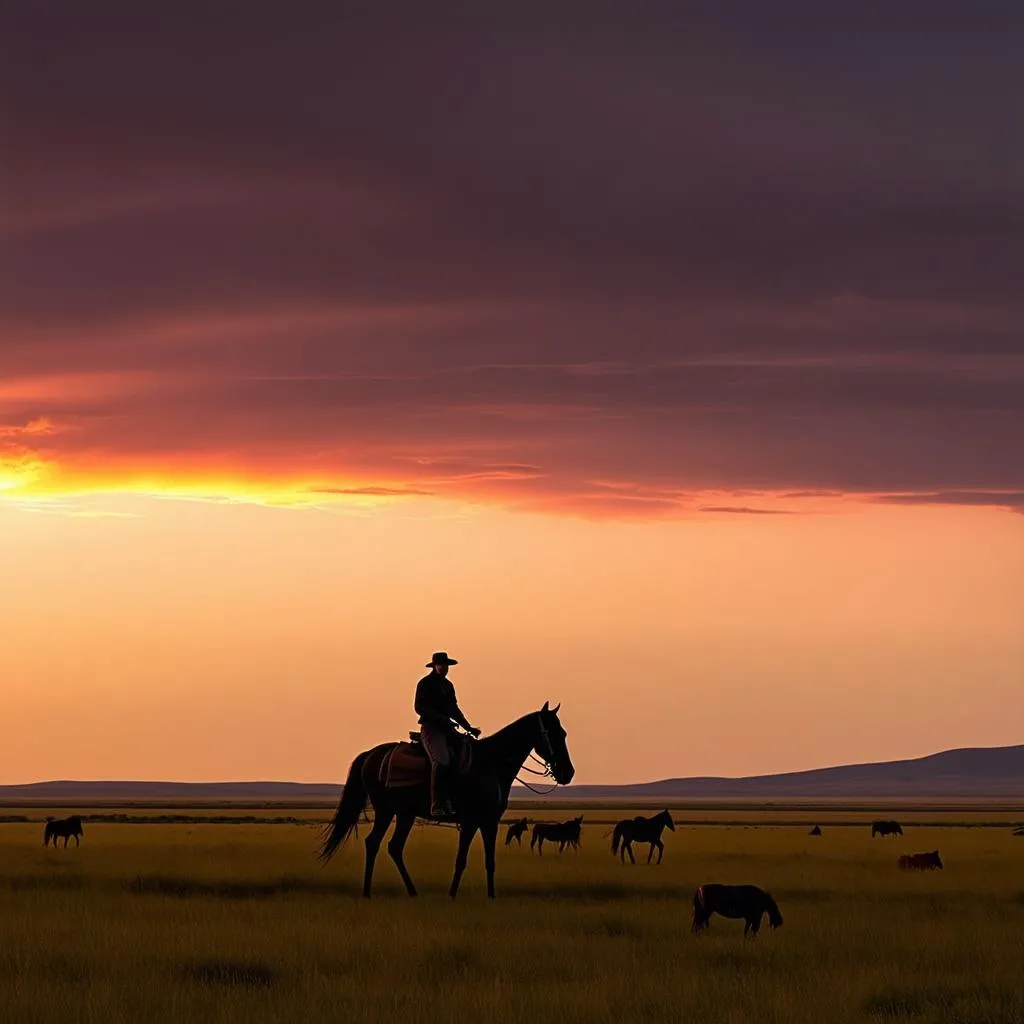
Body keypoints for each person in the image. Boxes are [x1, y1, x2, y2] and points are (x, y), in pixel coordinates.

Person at [415, 652, 481, 819]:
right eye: (441, 665)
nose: (444, 668)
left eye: (446, 666)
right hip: (431, 729)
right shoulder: (424, 684)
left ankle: (457, 800)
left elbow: (454, 710)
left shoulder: (448, 685)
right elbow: (419, 707)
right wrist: (442, 719)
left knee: (467, 755)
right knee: (442, 761)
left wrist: (469, 727)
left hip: (448, 729)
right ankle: (436, 805)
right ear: (435, 665)